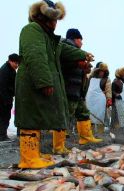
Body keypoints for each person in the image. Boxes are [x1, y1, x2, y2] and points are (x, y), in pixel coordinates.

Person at [15, 0, 94, 168]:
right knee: (29, 118)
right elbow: (34, 56)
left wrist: (82, 55)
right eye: (53, 20)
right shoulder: (32, 30)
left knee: (35, 118)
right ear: (42, 17)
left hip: (37, 81)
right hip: (31, 81)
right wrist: (44, 81)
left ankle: (34, 154)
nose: (55, 24)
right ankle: (28, 158)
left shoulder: (50, 39)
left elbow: (66, 51)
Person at [53, 28, 102, 154]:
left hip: (77, 91)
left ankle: (85, 138)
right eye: (81, 39)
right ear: (75, 38)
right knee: (64, 117)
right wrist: (78, 64)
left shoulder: (75, 52)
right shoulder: (66, 47)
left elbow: (75, 69)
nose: (82, 42)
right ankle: (58, 146)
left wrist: (83, 69)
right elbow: (64, 66)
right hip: (68, 90)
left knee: (83, 113)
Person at [86, 62, 112, 135]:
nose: (102, 73)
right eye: (101, 71)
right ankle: (90, 134)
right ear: (97, 70)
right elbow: (85, 88)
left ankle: (101, 135)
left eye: (103, 71)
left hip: (101, 102)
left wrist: (109, 99)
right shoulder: (89, 77)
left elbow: (108, 90)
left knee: (101, 118)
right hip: (89, 100)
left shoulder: (107, 79)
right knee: (90, 118)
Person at [0, 54, 20, 141]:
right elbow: (2, 87)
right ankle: (2, 136)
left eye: (18, 63)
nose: (17, 65)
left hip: (7, 98)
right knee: (3, 117)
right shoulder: (5, 70)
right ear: (10, 61)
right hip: (3, 99)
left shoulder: (11, 70)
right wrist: (6, 100)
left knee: (6, 117)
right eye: (15, 63)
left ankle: (3, 134)